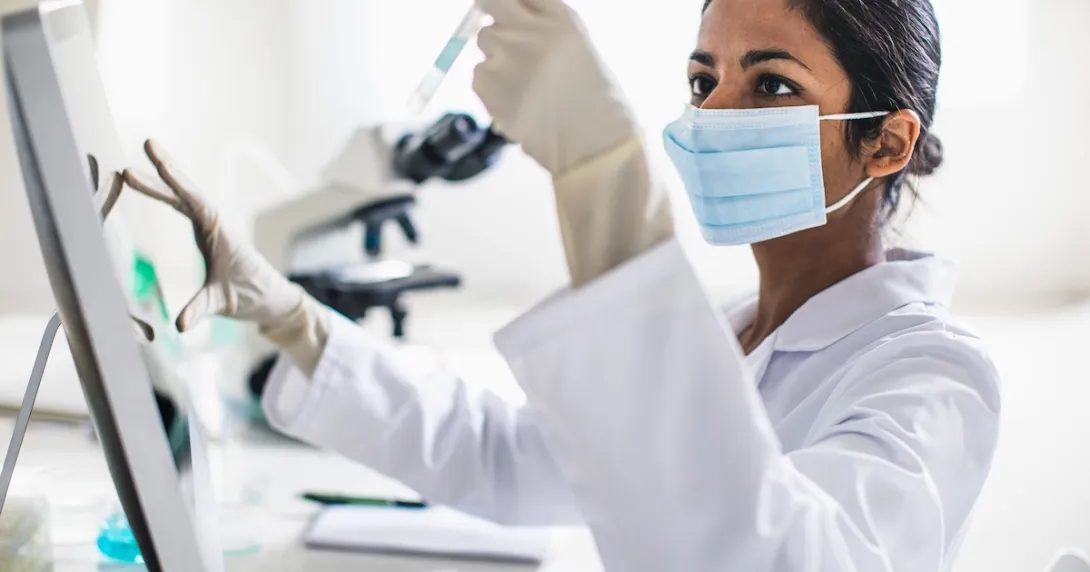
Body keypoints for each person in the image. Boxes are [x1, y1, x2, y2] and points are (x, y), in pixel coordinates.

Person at [122, 0, 1001, 569]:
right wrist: (294, 321)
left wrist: (601, 173)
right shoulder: (734, 331)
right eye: (703, 80)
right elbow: (504, 459)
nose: (714, 114)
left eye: (771, 83)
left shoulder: (933, 376)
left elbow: (769, 556)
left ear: (886, 142)